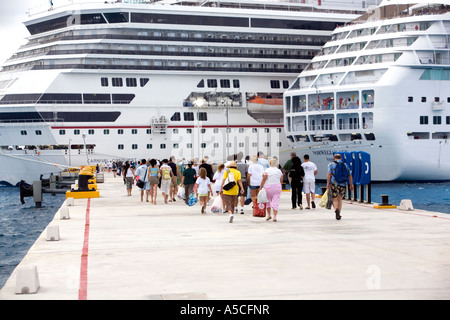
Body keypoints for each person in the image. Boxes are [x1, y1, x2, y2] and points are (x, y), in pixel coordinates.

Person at [327, 153, 353, 220]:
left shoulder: (331, 164)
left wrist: (327, 183)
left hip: (334, 184)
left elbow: (329, 174)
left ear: (334, 158)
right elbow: (349, 175)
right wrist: (351, 184)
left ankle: (336, 210)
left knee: (334, 199)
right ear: (341, 158)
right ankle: (339, 213)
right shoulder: (345, 165)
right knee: (340, 199)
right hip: (343, 184)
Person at [260, 158, 283, 222]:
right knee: (276, 201)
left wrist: (261, 186)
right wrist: (279, 186)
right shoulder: (279, 171)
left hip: (268, 187)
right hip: (277, 187)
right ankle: (275, 216)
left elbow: (264, 179)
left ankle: (269, 215)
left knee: (267, 201)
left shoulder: (267, 170)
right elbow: (281, 180)